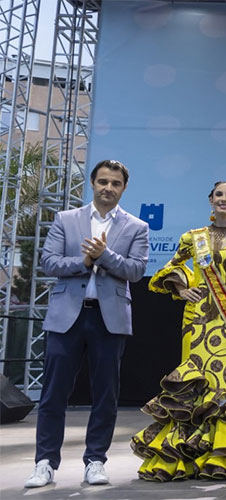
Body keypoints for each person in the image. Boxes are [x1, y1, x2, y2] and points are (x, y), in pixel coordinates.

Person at [132, 181, 226, 481]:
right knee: (195, 381)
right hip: (197, 320)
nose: (224, 200)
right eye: (219, 195)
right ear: (211, 200)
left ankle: (223, 454)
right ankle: (188, 454)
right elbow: (172, 266)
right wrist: (181, 287)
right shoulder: (194, 237)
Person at [25, 160, 150, 488]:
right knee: (53, 394)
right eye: (103, 182)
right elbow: (49, 262)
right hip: (67, 317)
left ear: (124, 188)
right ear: (92, 184)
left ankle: (95, 460)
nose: (109, 188)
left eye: (116, 183)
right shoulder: (67, 220)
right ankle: (44, 463)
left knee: (105, 394)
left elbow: (136, 271)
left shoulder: (136, 226)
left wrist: (105, 256)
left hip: (109, 319)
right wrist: (84, 261)